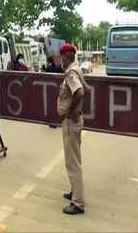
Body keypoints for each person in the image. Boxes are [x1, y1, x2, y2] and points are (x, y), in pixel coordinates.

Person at [57, 43, 86, 215]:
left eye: (61, 57)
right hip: (75, 121)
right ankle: (75, 191)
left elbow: (80, 92)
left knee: (72, 162)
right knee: (74, 160)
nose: (60, 61)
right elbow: (86, 89)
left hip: (71, 122)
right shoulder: (78, 69)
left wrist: (70, 112)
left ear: (66, 56)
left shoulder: (71, 73)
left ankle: (78, 203)